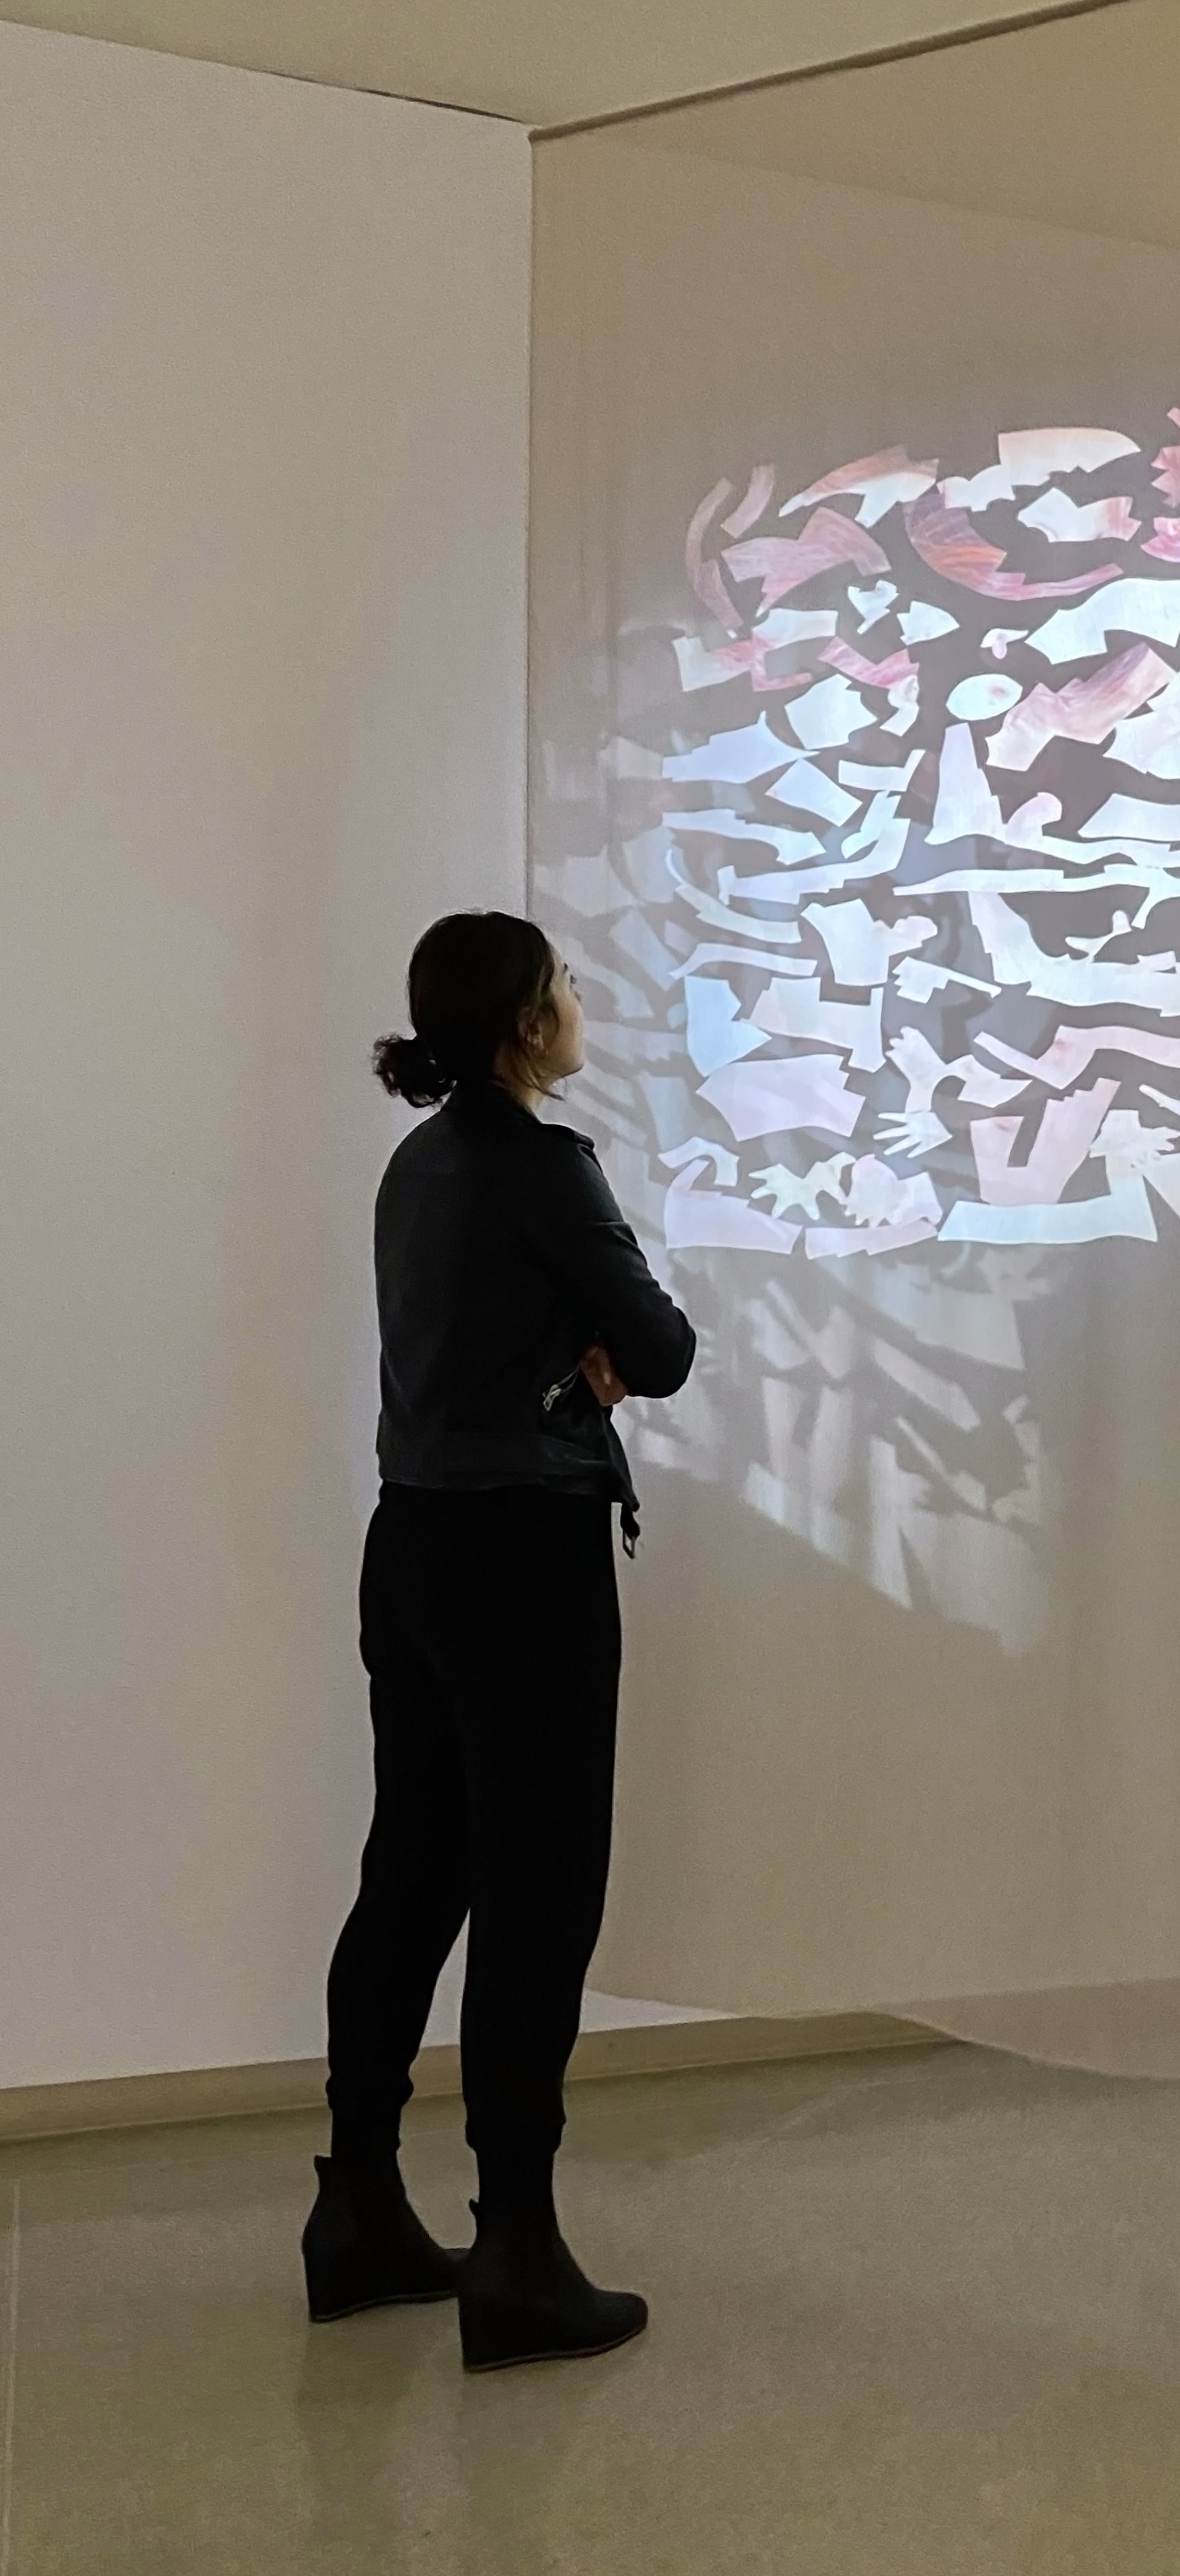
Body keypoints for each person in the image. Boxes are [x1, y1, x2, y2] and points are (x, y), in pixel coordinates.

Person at [302, 911, 696, 2373]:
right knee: (538, 1895)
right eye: (567, 985)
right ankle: (516, 2251)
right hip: (524, 1559)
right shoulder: (539, 1164)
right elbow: (661, 1348)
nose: (580, 1000)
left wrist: (573, 1353)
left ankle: (357, 2207)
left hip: (410, 1545)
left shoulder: (417, 1166)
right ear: (529, 1025)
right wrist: (597, 1360)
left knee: (412, 1870)